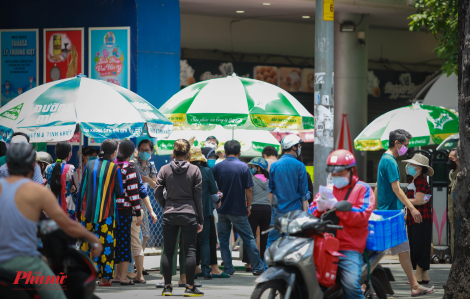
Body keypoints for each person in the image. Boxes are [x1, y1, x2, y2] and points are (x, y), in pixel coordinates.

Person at [0, 143, 103, 299]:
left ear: (7, 164)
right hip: (24, 263)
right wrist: (94, 240)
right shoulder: (38, 191)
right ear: (32, 165)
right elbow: (67, 225)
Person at [374, 129, 434, 296]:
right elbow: (397, 190)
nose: (406, 149)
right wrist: (413, 208)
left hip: (390, 213)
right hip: (391, 214)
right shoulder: (390, 161)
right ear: (396, 143)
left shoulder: (385, 160)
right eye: (405, 145)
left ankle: (414, 286)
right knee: (378, 252)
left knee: (403, 251)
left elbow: (380, 187)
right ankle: (362, 284)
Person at [309, 149, 374, 299]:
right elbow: (312, 210)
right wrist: (318, 209)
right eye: (333, 173)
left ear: (352, 170)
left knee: (351, 285)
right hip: (323, 245)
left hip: (348, 247)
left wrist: (336, 206)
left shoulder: (363, 189)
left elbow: (362, 215)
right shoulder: (328, 189)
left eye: (340, 173)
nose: (336, 176)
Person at [155, 139, 204, 296]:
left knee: (168, 251)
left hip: (169, 213)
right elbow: (198, 198)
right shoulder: (195, 170)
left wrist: (166, 205)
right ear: (189, 153)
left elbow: (157, 193)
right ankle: (189, 287)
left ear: (173, 153)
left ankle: (167, 287)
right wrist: (200, 219)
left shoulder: (164, 169)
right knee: (190, 251)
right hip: (189, 213)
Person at [211, 140, 264, 276]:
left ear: (225, 153)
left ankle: (228, 267)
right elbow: (249, 190)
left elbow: (212, 186)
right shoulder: (244, 167)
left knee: (223, 240)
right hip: (239, 209)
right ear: (239, 153)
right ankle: (258, 267)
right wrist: (249, 206)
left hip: (222, 209)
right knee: (248, 238)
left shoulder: (217, 167)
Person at [76, 139, 123, 286]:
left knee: (87, 245)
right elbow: (119, 191)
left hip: (87, 213)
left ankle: (86, 276)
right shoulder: (114, 168)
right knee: (106, 246)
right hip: (107, 215)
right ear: (114, 152)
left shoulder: (89, 165)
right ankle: (104, 279)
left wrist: (79, 213)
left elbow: (82, 190)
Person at [266, 135, 310, 254]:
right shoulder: (300, 166)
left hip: (278, 211)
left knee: (272, 240)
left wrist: (272, 209)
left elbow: (270, 189)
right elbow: (304, 193)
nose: (299, 148)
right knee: (294, 241)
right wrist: (305, 214)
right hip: (295, 211)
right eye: (298, 146)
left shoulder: (275, 165)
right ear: (293, 147)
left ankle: (267, 268)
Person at [189, 146, 221, 280]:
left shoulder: (187, 171)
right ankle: (206, 271)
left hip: (190, 211)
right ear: (202, 160)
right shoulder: (208, 171)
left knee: (191, 243)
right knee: (205, 242)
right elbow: (214, 190)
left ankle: (191, 271)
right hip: (205, 211)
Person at [112, 140, 142, 285]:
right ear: (131, 153)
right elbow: (133, 191)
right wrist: (138, 211)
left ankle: (116, 275)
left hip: (111, 210)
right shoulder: (129, 167)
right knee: (124, 242)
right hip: (124, 210)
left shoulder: (112, 165)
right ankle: (123, 276)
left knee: (116, 242)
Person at [401, 154, 434, 285]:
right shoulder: (412, 181)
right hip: (413, 218)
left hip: (421, 218)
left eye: (412, 165)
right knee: (415, 245)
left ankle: (418, 274)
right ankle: (424, 275)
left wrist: (403, 200)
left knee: (420, 245)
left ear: (419, 168)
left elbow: (419, 200)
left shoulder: (421, 181)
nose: (409, 167)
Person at [242, 158, 271, 272]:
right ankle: (264, 263)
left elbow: (247, 193)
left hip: (254, 209)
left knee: (249, 236)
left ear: (258, 168)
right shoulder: (269, 180)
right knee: (265, 238)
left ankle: (249, 264)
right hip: (267, 209)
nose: (250, 168)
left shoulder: (251, 179)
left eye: (252, 166)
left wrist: (247, 206)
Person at [45, 142, 79, 220]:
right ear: (69, 153)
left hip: (50, 208)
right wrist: (72, 188)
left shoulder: (48, 167)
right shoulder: (71, 168)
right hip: (67, 210)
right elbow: (78, 187)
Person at [135, 139, 158, 251]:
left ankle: (140, 260)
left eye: (147, 150)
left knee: (145, 234)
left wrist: (149, 180)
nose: (144, 152)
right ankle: (135, 260)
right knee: (135, 233)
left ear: (151, 151)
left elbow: (155, 186)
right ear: (138, 150)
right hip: (133, 200)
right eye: (142, 150)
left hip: (144, 201)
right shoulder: (134, 163)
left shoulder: (151, 165)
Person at [448, 148, 458, 257]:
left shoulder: (461, 178)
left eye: (451, 159)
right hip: (453, 220)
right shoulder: (454, 178)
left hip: (459, 220)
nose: (449, 162)